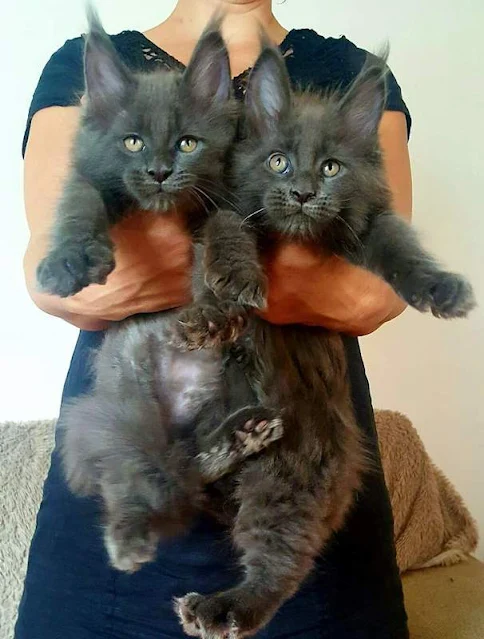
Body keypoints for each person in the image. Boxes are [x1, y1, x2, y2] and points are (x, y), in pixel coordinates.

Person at [17, 1, 413, 637]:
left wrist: (190, 247)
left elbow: (369, 295)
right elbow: (69, 286)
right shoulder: (90, 64)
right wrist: (250, 245)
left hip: (296, 447)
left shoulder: (350, 71)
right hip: (131, 467)